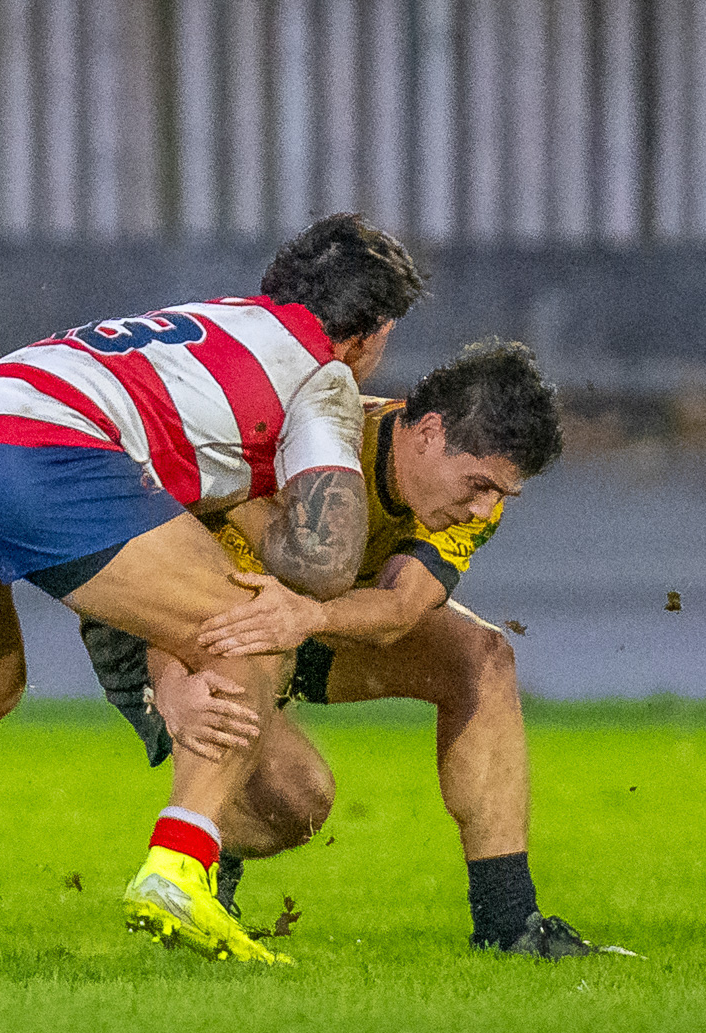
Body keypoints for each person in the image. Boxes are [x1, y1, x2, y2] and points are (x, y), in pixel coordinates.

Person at [0, 213, 425, 964]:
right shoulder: (321, 369)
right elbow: (326, 560)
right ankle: (178, 867)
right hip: (33, 454)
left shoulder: (209, 321)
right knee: (249, 618)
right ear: (370, 331)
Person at [81, 340, 606, 958]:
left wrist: (311, 615)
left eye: (500, 494)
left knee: (482, 657)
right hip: (165, 625)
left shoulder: (467, 503)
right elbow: (165, 549)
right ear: (430, 432)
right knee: (294, 801)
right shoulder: (301, 442)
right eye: (480, 484)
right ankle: (197, 877)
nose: (485, 507)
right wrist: (167, 682)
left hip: (296, 620)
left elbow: (400, 609)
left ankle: (511, 926)